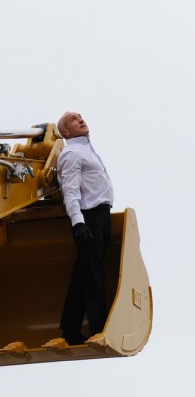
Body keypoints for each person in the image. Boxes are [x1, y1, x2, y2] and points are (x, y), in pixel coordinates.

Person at [56, 112, 114, 345]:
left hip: (100, 216)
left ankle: (70, 329)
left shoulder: (86, 150)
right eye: (73, 119)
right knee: (92, 275)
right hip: (89, 218)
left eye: (80, 116)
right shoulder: (71, 153)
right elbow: (70, 191)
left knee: (83, 274)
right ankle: (100, 330)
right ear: (66, 132)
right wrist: (78, 223)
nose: (80, 119)